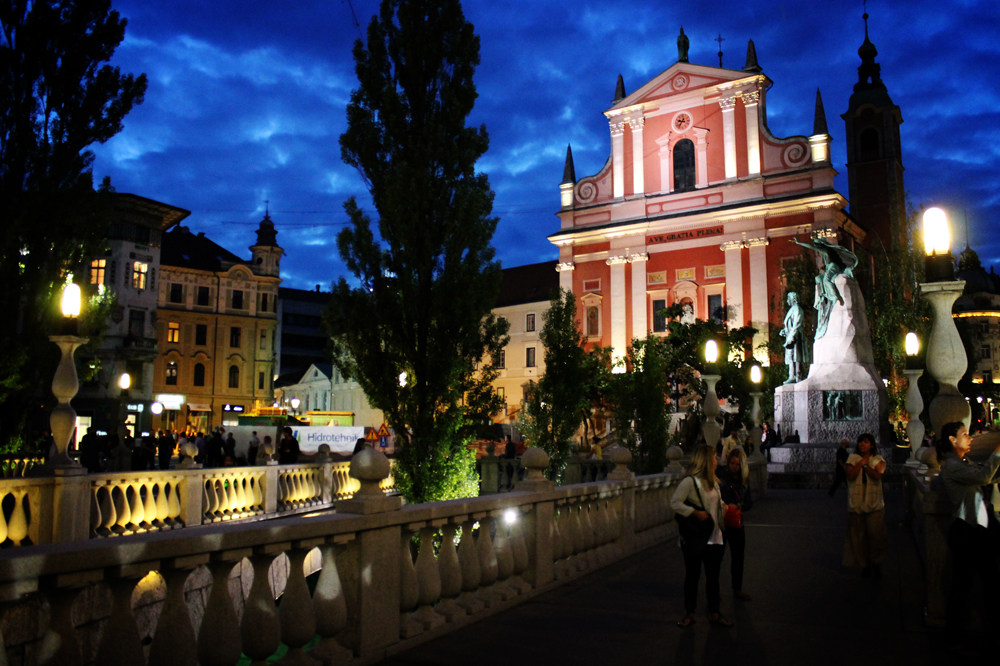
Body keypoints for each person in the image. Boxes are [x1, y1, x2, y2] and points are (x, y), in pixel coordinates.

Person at [935, 421, 1000, 656]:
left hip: (982, 528)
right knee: (962, 586)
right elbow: (983, 477)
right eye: (964, 434)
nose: (969, 438)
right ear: (952, 440)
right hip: (966, 531)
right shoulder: (951, 465)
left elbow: (987, 476)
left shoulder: (965, 461)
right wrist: (997, 452)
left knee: (993, 584)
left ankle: (996, 633)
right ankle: (952, 636)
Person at [670, 444, 732, 628]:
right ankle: (690, 612)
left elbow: (715, 502)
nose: (716, 460)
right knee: (693, 575)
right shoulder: (690, 482)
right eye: (713, 457)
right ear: (705, 460)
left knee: (713, 576)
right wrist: (694, 513)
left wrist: (724, 507)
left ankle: (715, 612)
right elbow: (675, 503)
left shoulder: (713, 481)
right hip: (696, 536)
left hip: (714, 536)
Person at [842, 433, 887, 578]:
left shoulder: (878, 460)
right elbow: (849, 476)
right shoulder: (852, 459)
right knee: (859, 536)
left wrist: (866, 464)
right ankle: (864, 564)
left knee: (875, 535)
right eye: (860, 442)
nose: (862, 444)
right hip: (856, 503)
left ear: (872, 445)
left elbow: (876, 475)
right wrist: (860, 463)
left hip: (874, 504)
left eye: (866, 442)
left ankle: (876, 563)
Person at [718, 448, 753, 601]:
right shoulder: (721, 475)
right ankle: (714, 589)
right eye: (732, 463)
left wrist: (740, 506)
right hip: (721, 521)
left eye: (737, 464)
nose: (734, 466)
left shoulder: (744, 480)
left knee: (738, 557)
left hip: (737, 521)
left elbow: (749, 502)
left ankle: (737, 588)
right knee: (717, 557)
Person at [779, 292, 805, 384]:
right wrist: (784, 331)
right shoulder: (792, 309)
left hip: (796, 337)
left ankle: (797, 375)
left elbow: (796, 325)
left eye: (788, 299)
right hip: (790, 336)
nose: (787, 301)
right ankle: (792, 375)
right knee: (791, 356)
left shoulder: (797, 309)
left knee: (796, 356)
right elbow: (789, 324)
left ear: (792, 299)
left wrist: (790, 337)